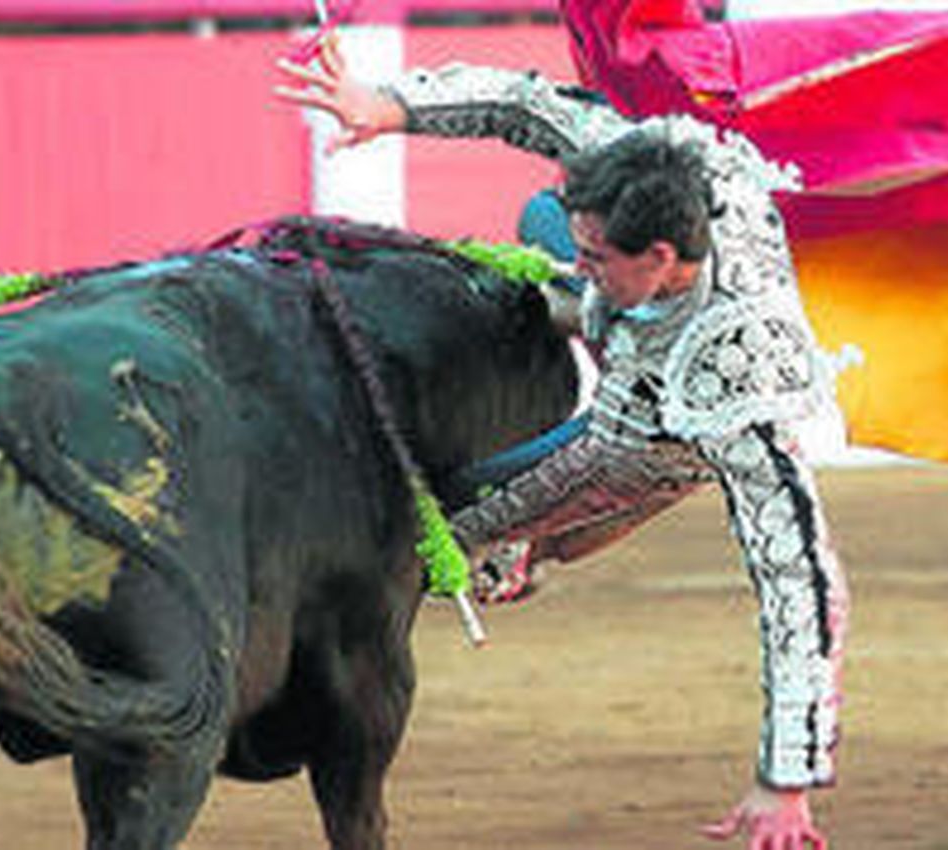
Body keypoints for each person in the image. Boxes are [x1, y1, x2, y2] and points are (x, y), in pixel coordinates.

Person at [276, 37, 848, 850]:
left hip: (658, 432)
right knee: (538, 224)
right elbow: (523, 101)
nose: (582, 258)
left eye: (596, 257)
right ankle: (581, 319)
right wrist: (389, 106)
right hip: (642, 331)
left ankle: (528, 556)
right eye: (583, 250)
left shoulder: (744, 390)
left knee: (454, 524)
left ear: (658, 256)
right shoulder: (653, 163)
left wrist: (785, 779)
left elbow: (802, 580)